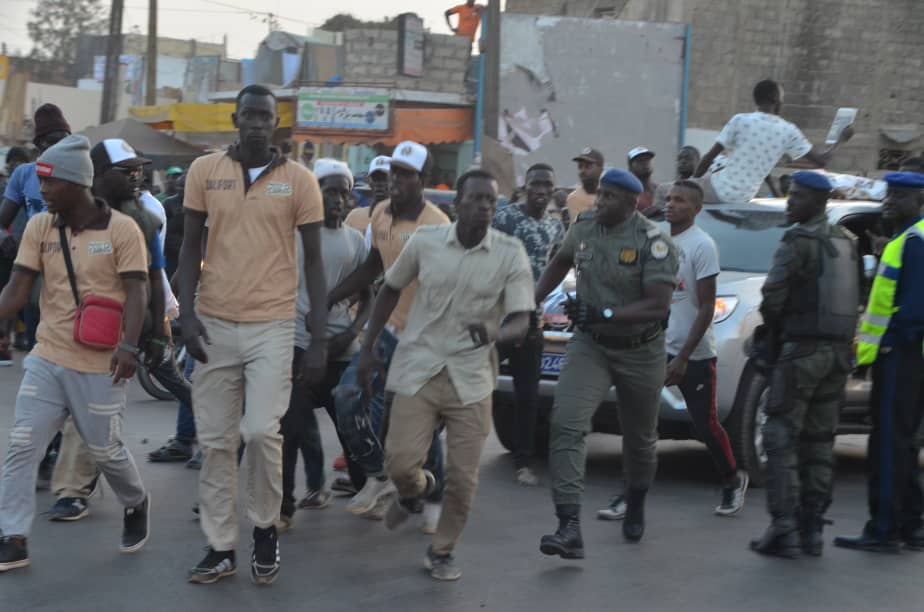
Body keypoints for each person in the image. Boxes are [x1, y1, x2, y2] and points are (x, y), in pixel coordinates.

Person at [179, 84, 328, 585]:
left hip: (272, 324)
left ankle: (265, 526)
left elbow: (313, 261)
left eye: (266, 116)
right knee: (217, 441)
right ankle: (220, 546)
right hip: (215, 322)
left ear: (276, 122)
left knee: (261, 430)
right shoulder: (204, 172)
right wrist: (186, 315)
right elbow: (187, 248)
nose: (258, 123)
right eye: (250, 115)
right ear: (236, 119)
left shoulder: (300, 181)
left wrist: (320, 338)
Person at [359, 168, 532, 581]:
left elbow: (522, 320)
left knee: (464, 478)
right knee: (400, 464)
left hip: (471, 379)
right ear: (457, 205)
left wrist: (496, 332)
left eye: (491, 201)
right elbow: (388, 289)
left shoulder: (510, 253)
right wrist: (367, 348)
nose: (485, 207)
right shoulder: (426, 242)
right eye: (476, 199)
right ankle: (415, 491)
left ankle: (442, 550)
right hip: (418, 367)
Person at [0, 135, 151, 573]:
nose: (40, 191)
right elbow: (16, 290)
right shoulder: (39, 227)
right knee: (22, 445)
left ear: (74, 183)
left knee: (106, 451)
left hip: (100, 362)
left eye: (48, 183)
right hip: (48, 356)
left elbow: (138, 292)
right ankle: (13, 536)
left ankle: (136, 500)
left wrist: (130, 345)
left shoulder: (124, 230)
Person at [535, 168, 679, 558]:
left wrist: (607, 314)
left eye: (611, 198)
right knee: (566, 423)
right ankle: (569, 526)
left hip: (641, 349)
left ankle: (635, 499)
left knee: (640, 440)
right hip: (590, 345)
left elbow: (657, 304)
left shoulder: (654, 242)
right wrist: (531, 298)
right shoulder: (583, 227)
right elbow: (561, 262)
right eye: (600, 195)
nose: (600, 203)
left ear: (634, 204)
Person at [43, 138, 184, 522]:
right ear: (100, 176)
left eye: (139, 170)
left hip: (120, 330)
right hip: (70, 328)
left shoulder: (145, 216)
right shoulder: (64, 213)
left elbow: (155, 278)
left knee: (93, 412)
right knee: (76, 410)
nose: (139, 178)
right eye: (128, 172)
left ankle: (76, 489)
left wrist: (160, 329)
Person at [328, 142, 449, 528]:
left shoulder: (438, 227)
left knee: (419, 423)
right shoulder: (379, 214)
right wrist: (330, 298)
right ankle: (380, 476)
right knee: (347, 396)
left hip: (426, 339)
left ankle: (434, 496)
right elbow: (371, 268)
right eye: (394, 171)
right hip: (388, 330)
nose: (396, 180)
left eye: (406, 174)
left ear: (422, 181)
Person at [747, 171, 861, 558]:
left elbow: (773, 296)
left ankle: (784, 527)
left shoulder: (798, 240)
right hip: (838, 355)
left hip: (802, 354)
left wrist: (775, 335)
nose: (790, 202)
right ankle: (812, 527)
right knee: (818, 441)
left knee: (780, 436)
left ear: (817, 201)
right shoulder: (847, 241)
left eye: (797, 196)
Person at [278, 159, 370, 530]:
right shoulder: (294, 235)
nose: (337, 199)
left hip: (339, 350)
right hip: (296, 345)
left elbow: (370, 296)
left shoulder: (354, 241)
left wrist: (353, 332)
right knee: (290, 428)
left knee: (351, 426)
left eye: (343, 193)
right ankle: (284, 506)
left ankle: (366, 490)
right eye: (329, 191)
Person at [834, 172, 924, 554]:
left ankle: (884, 530)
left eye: (899, 197)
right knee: (901, 444)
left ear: (919, 200)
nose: (889, 202)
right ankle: (912, 527)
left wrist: (888, 345)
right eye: (888, 195)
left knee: (888, 445)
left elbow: (915, 307)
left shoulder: (914, 241)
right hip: (906, 359)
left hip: (901, 358)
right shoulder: (908, 238)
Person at [661, 180, 749, 515]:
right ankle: (629, 494)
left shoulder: (702, 245)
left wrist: (683, 356)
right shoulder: (661, 241)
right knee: (638, 419)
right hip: (658, 349)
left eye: (679, 200)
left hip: (694, 354)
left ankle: (731, 480)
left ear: (696, 209)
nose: (670, 205)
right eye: (668, 199)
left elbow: (707, 306)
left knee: (704, 424)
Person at [491, 162, 564, 486]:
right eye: (536, 184)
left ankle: (523, 461)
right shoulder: (505, 218)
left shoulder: (554, 226)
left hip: (532, 322)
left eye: (547, 185)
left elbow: (558, 264)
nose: (541, 190)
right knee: (471, 381)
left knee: (528, 396)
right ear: (525, 186)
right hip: (499, 318)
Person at [693, 79, 854, 204]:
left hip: (718, 189)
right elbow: (821, 161)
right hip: (744, 197)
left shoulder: (740, 120)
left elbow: (709, 157)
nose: (782, 102)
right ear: (775, 99)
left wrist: (691, 184)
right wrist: (841, 140)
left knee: (670, 194)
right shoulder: (788, 130)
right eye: (782, 98)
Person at [0, 147, 32, 365]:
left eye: (19, 162)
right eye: (12, 163)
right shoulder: (5, 189)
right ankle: (5, 341)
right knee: (8, 291)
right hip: (6, 249)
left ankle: (20, 336)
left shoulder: (33, 187)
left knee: (23, 296)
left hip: (27, 248)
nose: (15, 166)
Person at [344, 155, 390, 245]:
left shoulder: (400, 221)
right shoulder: (354, 217)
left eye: (384, 179)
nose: (379, 183)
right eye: (375, 178)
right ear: (369, 181)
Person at [649, 146, 701, 215]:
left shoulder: (707, 186)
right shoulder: (663, 188)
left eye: (687, 158)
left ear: (699, 161)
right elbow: (657, 214)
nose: (683, 161)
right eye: (679, 159)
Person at [566, 147, 604, 221]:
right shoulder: (574, 198)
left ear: (601, 169)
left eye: (588, 166)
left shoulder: (613, 193)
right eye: (580, 167)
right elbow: (586, 228)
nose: (582, 171)